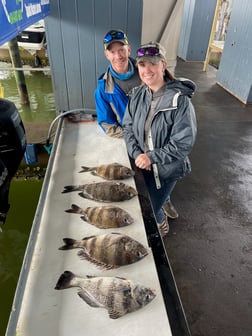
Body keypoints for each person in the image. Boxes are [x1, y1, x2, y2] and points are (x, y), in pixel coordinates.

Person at [123, 42, 197, 237]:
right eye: (142, 64)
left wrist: (152, 157)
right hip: (143, 165)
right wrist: (136, 153)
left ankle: (160, 223)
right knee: (147, 199)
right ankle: (164, 202)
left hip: (167, 169)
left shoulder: (180, 101)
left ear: (163, 65)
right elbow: (128, 127)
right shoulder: (137, 95)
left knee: (150, 209)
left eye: (152, 64)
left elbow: (183, 143)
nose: (147, 70)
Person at [94, 29, 141, 138]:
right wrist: (131, 136)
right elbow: (108, 126)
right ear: (106, 55)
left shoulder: (146, 75)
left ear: (128, 50)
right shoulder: (102, 91)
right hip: (129, 139)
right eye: (112, 52)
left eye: (121, 50)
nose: (118, 56)